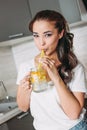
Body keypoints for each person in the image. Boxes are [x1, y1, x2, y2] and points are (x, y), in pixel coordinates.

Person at [16, 10, 87, 130]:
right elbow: (23, 107)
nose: (41, 42)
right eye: (36, 35)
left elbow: (74, 114)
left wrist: (56, 78)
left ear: (60, 33)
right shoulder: (26, 67)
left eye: (47, 35)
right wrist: (24, 90)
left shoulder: (75, 67)